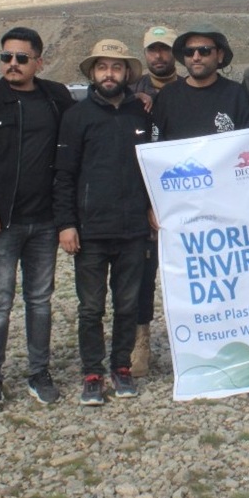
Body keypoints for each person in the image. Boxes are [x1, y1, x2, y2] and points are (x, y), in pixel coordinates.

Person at [0, 26, 75, 409]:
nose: (13, 64)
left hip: (44, 221)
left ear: (39, 61)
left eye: (22, 58)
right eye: (6, 57)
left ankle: (39, 373)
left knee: (40, 300)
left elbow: (83, 131)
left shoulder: (57, 98)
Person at [55, 40, 154, 406]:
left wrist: (151, 209)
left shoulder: (142, 114)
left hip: (132, 229)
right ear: (92, 73)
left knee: (127, 305)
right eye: (102, 67)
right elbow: (63, 175)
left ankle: (122, 367)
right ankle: (92, 373)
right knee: (91, 307)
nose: (109, 74)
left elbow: (152, 169)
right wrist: (66, 224)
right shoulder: (76, 117)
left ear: (127, 73)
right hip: (90, 231)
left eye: (116, 67)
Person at [130, 25, 180, 376]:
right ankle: (140, 340)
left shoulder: (191, 87)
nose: (159, 56)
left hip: (187, 196)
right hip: (144, 198)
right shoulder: (131, 95)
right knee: (143, 274)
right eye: (153, 50)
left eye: (165, 49)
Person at [151, 25, 249, 141]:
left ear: (220, 55)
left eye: (204, 51)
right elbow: (155, 145)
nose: (196, 57)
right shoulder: (167, 96)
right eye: (189, 52)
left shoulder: (237, 95)